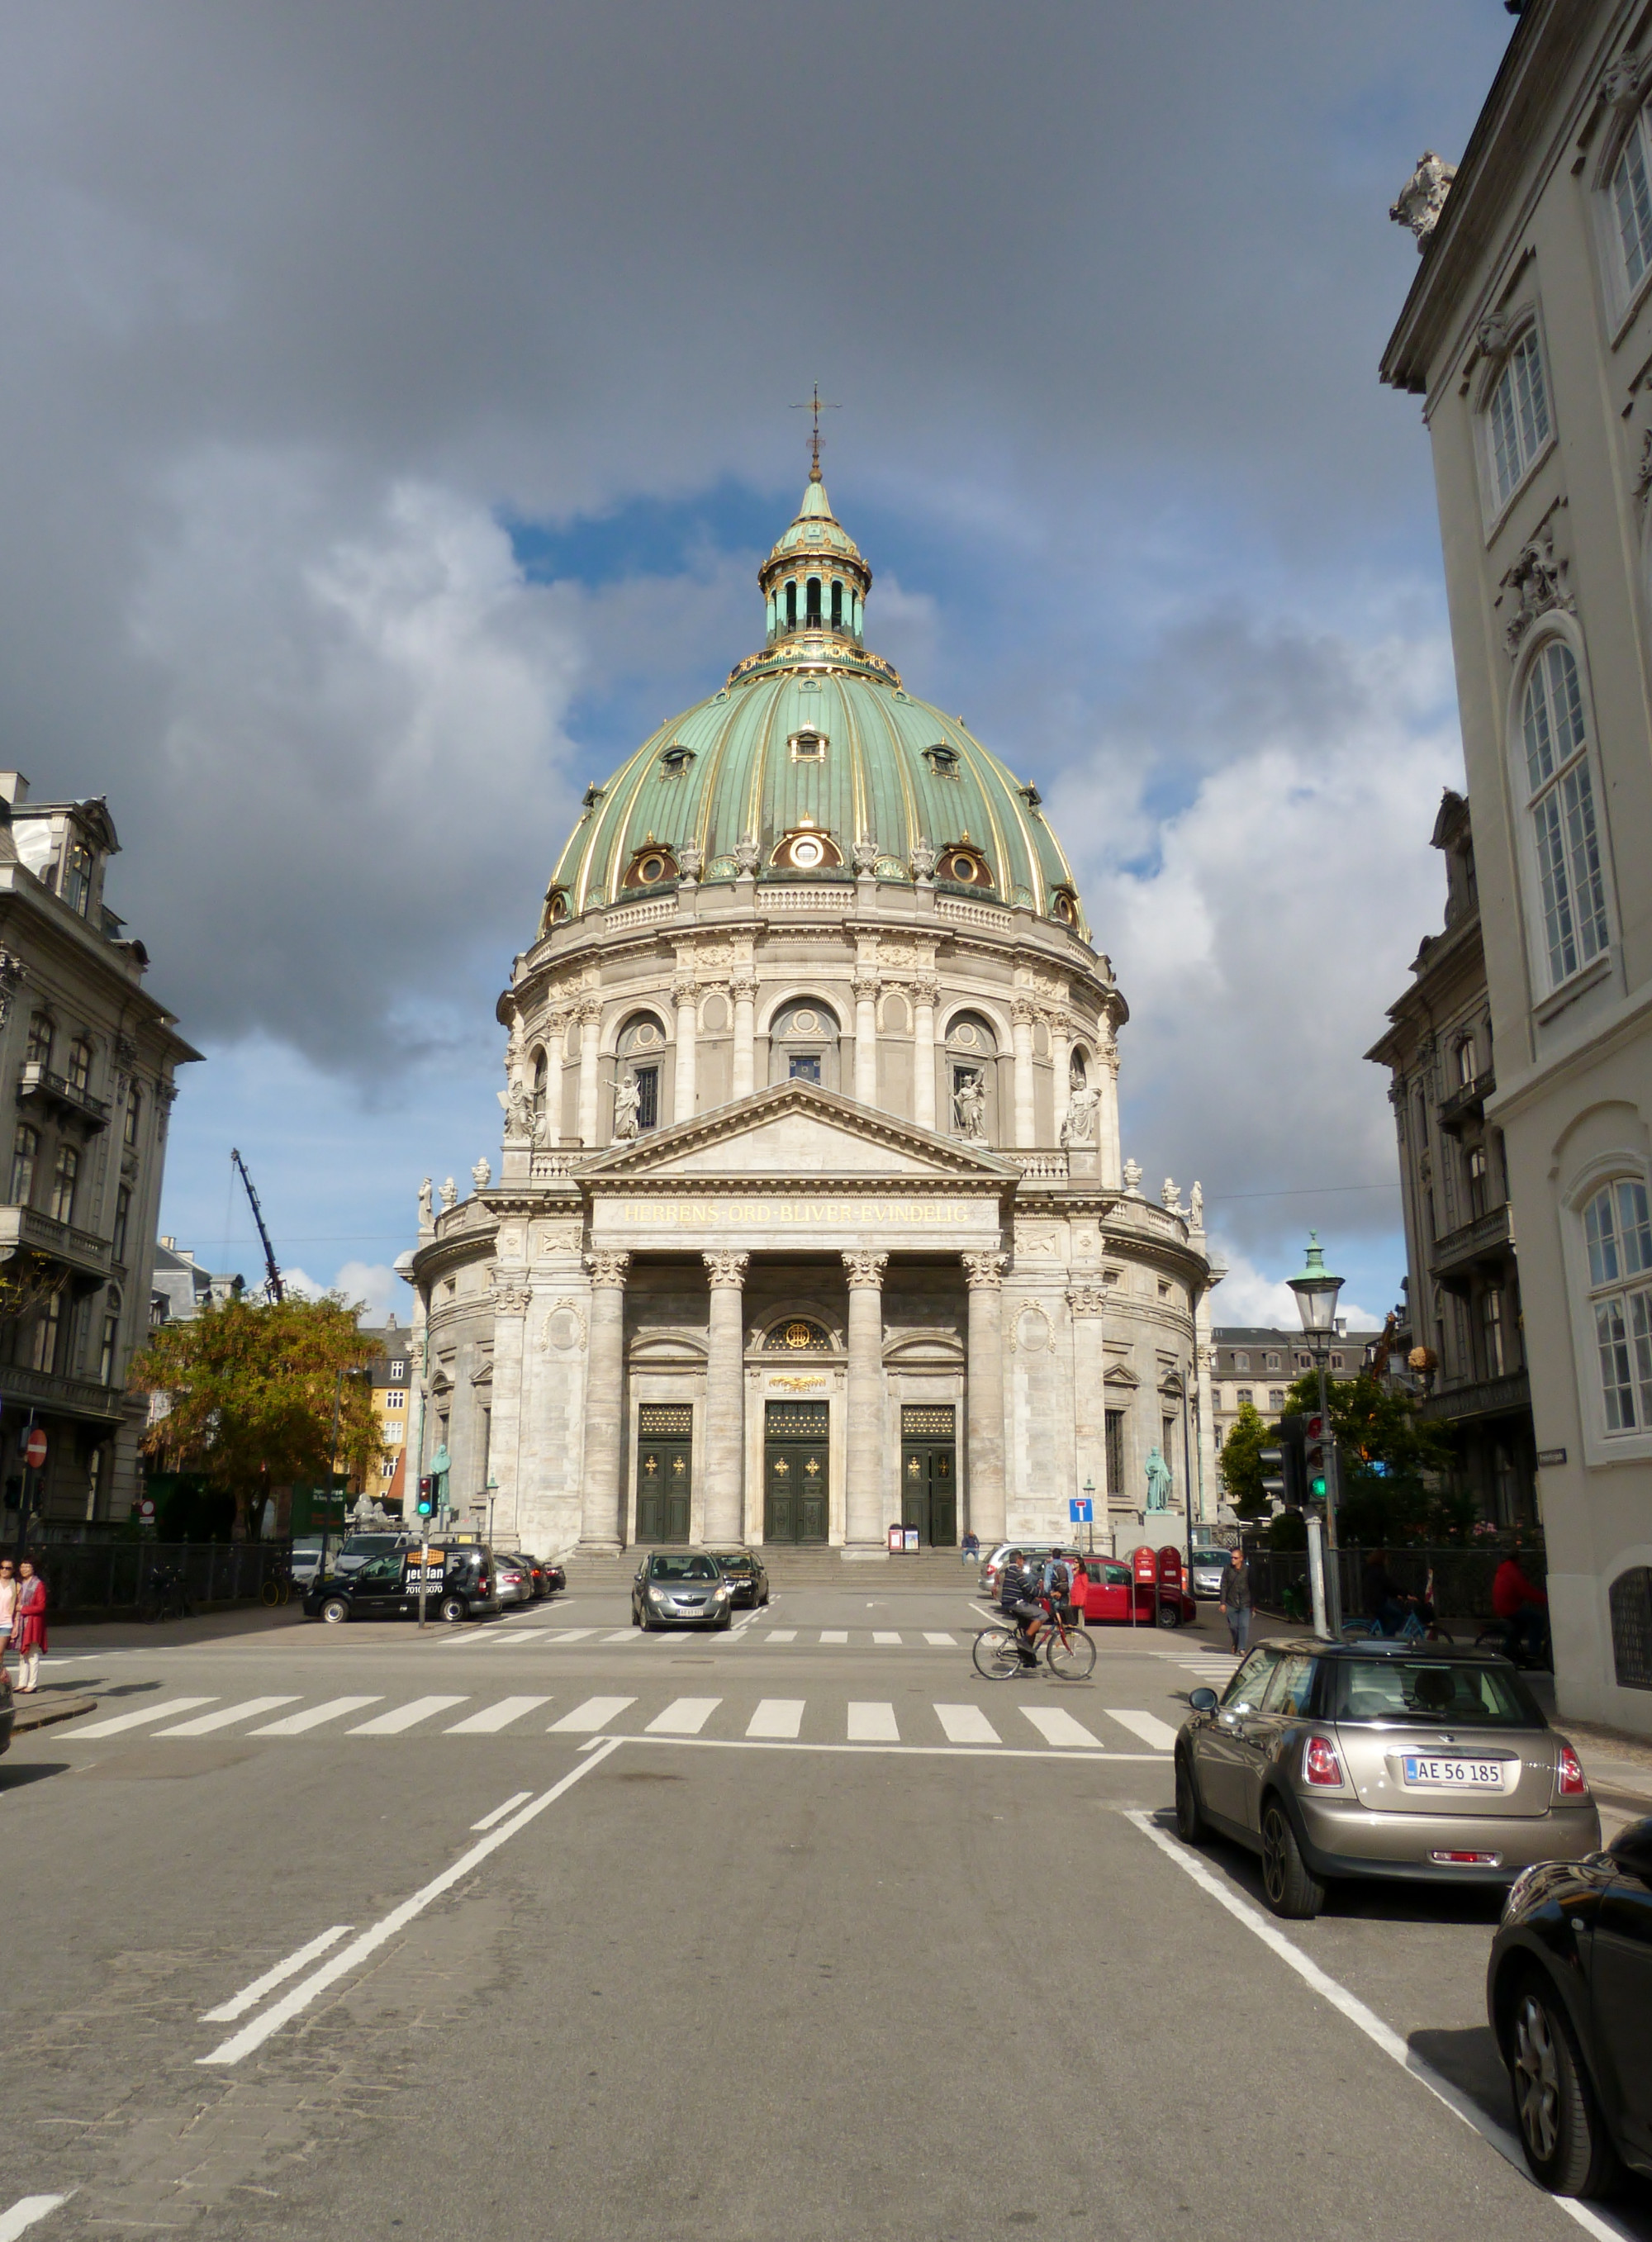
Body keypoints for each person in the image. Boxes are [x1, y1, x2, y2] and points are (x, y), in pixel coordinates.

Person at [1493, 1541, 1550, 1665]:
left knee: (1520, 1626)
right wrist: (1546, 1599)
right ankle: (1533, 1654)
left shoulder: (1505, 1568)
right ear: (1517, 1559)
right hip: (1509, 1607)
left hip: (1503, 1606)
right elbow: (1525, 1591)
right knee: (1537, 1620)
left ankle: (1508, 1652)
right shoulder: (1512, 1571)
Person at [997, 1547, 1046, 1672]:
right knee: (1042, 1615)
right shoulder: (1016, 1571)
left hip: (1010, 1602)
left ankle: (1029, 1658)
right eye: (1022, 1559)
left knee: (1030, 1625)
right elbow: (1028, 1588)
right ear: (1018, 1560)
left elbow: (1023, 1589)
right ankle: (1024, 1642)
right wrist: (1045, 1594)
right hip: (1015, 1603)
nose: (1023, 1562)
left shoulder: (1009, 1570)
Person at [12, 1559, 46, 1693]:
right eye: (22, 1566)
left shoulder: (38, 1585)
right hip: (20, 1622)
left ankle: (32, 1684)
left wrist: (23, 1608)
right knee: (22, 1654)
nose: (24, 1569)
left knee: (32, 1653)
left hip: (33, 1623)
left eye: (27, 1566)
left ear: (33, 1568)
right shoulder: (19, 1584)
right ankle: (22, 1682)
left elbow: (41, 1607)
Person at [1218, 1545, 1251, 1657]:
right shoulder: (1228, 1569)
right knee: (1233, 1626)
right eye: (1232, 1558)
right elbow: (1223, 1586)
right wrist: (1222, 1603)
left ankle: (1241, 1648)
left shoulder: (1247, 1571)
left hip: (1245, 1602)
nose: (1233, 1560)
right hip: (1231, 1602)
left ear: (1241, 1559)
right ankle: (1236, 1643)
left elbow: (1253, 1586)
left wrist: (1254, 1604)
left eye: (1235, 1558)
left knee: (1244, 1625)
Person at [0, 1559, 15, 1671]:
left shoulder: (15, 1585)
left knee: (0, 1653)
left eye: (8, 1568)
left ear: (12, 1570)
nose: (4, 1570)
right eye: (2, 1567)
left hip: (6, 1623)